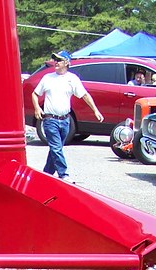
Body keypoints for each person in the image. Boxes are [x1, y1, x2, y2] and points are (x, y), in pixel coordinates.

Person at [31, 50, 104, 183]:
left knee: (56, 149)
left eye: (59, 60)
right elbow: (35, 94)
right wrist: (37, 108)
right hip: (50, 119)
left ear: (66, 63)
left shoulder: (72, 79)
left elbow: (84, 95)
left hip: (65, 120)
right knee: (56, 148)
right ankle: (63, 174)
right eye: (55, 60)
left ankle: (45, 175)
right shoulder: (48, 78)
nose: (56, 62)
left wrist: (95, 110)